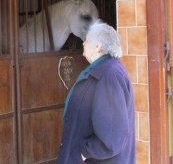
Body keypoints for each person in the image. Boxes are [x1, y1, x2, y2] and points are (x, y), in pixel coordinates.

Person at [56, 22, 135, 164]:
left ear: (98, 46)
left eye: (86, 40)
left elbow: (112, 134)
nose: (83, 43)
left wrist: (84, 153)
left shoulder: (109, 75)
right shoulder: (103, 70)